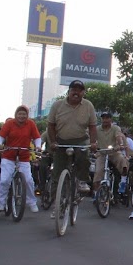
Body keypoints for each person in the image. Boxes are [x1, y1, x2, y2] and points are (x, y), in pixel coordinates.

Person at [47, 80, 98, 212]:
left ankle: (82, 180)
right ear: (69, 92)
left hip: (81, 140)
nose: (76, 92)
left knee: (83, 156)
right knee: (57, 174)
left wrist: (93, 143)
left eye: (79, 90)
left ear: (83, 93)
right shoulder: (57, 105)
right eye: (73, 90)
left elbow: (92, 127)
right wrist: (53, 142)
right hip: (61, 140)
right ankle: (57, 205)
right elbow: (51, 125)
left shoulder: (88, 105)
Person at [0, 106, 41, 213]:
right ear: (16, 114)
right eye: (19, 114)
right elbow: (1, 136)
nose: (22, 116)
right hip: (9, 156)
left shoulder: (30, 124)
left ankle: (32, 202)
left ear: (27, 115)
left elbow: (37, 137)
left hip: (24, 157)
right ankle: (1, 202)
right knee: (5, 180)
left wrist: (38, 146)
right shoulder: (10, 123)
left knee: (28, 180)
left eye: (24, 114)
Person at [93, 112, 128, 196]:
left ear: (111, 119)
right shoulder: (97, 129)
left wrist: (120, 145)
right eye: (103, 118)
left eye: (107, 118)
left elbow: (118, 137)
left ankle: (123, 182)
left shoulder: (115, 128)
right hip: (102, 153)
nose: (105, 120)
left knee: (123, 161)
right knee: (97, 172)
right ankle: (96, 193)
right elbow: (92, 138)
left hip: (114, 152)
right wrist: (93, 145)